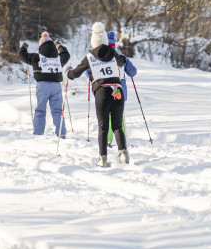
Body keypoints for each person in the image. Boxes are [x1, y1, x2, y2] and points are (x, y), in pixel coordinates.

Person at [66, 22, 129, 167]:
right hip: (117, 89)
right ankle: (123, 153)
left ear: (93, 41)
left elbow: (74, 74)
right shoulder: (113, 52)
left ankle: (103, 158)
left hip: (102, 91)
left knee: (103, 126)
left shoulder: (89, 57)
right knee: (117, 125)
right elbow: (123, 62)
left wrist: (67, 72)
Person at [19, 32, 71, 137]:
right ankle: (61, 133)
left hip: (42, 86)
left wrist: (24, 47)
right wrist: (59, 46)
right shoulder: (58, 58)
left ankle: (38, 133)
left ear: (41, 46)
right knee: (57, 111)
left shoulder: (36, 57)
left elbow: (22, 56)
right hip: (56, 86)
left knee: (40, 110)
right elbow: (66, 55)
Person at [105, 30, 137, 145]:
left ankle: (108, 140)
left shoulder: (101, 56)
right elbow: (133, 72)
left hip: (105, 89)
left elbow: (88, 72)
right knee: (120, 116)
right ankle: (123, 141)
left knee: (107, 116)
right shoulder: (122, 57)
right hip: (119, 89)